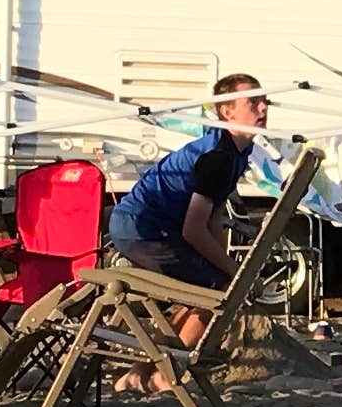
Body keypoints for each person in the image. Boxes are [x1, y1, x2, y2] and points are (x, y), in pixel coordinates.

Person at [110, 73, 269, 285]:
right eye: (253, 101)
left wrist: (226, 268)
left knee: (219, 282)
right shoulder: (218, 157)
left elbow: (213, 219)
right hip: (142, 230)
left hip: (156, 228)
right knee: (216, 290)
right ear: (227, 111)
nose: (264, 107)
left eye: (264, 100)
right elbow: (193, 230)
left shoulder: (239, 151)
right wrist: (235, 273)